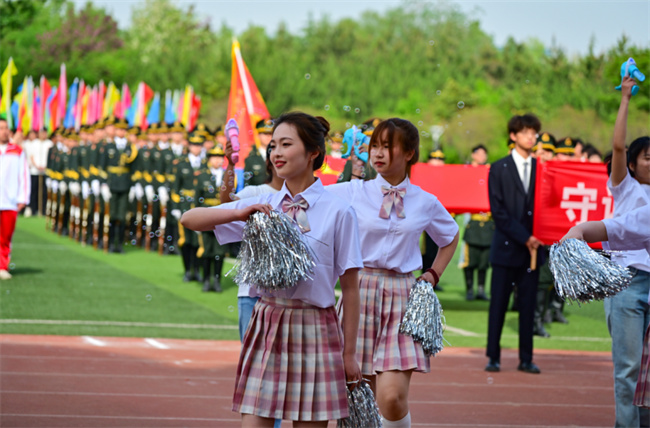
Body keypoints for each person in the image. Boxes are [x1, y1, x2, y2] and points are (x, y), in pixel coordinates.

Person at [181, 111, 363, 426]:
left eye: (286, 144)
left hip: (316, 328)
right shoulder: (263, 203)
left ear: (313, 152)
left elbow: (350, 288)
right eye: (273, 145)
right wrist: (238, 214)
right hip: (267, 322)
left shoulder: (339, 211)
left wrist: (349, 355)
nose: (276, 152)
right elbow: (189, 219)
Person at [328, 118, 459, 427]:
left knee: (392, 398)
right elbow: (309, 199)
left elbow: (450, 236)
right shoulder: (352, 191)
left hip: (402, 297)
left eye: (387, 146)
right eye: (374, 145)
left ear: (409, 153)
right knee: (358, 398)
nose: (378, 153)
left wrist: (434, 273)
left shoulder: (425, 201)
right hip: (358, 293)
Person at [602, 75, 650, 427]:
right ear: (632, 164)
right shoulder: (626, 188)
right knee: (629, 368)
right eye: (648, 158)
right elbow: (618, 147)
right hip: (628, 283)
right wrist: (625, 99)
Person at [485, 113, 544, 375]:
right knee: (498, 305)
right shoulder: (499, 168)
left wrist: (538, 238)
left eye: (534, 132)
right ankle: (493, 356)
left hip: (534, 251)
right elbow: (498, 212)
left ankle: (526, 358)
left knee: (528, 307)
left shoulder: (543, 169)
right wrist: (525, 237)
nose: (531, 137)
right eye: (525, 132)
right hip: (507, 249)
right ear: (513, 135)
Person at [460, 144, 493, 301]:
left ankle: (480, 289)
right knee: (470, 261)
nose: (482, 157)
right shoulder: (468, 172)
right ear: (473, 155)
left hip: (488, 224)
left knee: (484, 261)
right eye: (479, 153)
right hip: (473, 222)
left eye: (484, 154)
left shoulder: (489, 172)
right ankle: (469, 289)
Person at [0, 118, 30, 280]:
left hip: (9, 201)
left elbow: (24, 175)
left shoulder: (17, 151)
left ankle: (2, 266)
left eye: (6, 128)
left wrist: (22, 197)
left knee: (6, 236)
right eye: (1, 128)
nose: (4, 131)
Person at [243, 119, 273, 187]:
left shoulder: (279, 156)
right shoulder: (250, 159)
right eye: (265, 133)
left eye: (271, 134)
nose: (268, 136)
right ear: (258, 135)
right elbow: (247, 185)